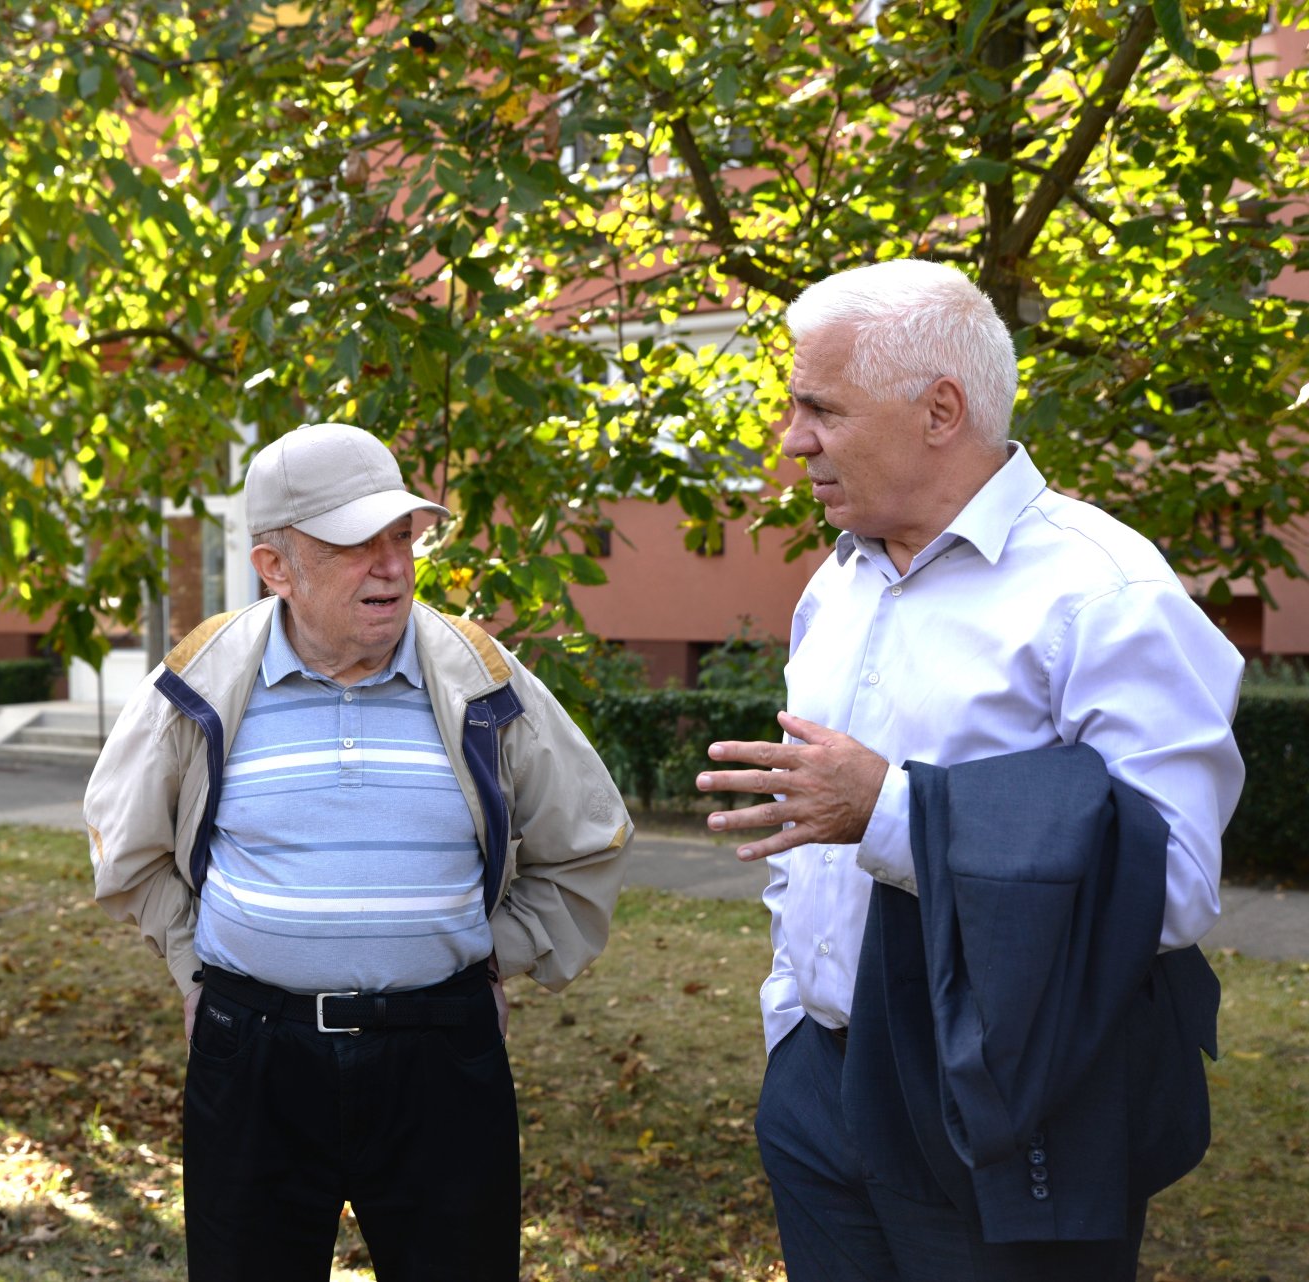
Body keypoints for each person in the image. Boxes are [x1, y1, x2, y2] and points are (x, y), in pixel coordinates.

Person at [696, 260, 1244, 1280]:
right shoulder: (837, 586)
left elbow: (1172, 886)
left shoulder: (1105, 593)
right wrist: (792, 1029)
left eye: (821, 408)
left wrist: (892, 811)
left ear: (940, 411)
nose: (792, 440)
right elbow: (809, 849)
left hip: (1006, 1110)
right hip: (818, 1091)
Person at [84, 421, 633, 1280]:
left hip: (441, 1056)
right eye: (354, 544)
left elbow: (589, 837)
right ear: (274, 567)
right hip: (253, 1054)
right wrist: (194, 965)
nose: (392, 566)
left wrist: (499, 954)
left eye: (402, 536)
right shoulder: (199, 680)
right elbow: (128, 851)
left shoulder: (482, 676)